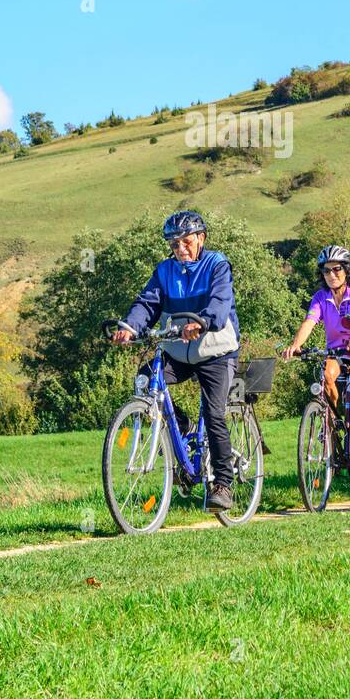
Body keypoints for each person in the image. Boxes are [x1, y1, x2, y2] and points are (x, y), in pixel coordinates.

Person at [111, 211, 240, 510]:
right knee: (145, 382)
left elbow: (220, 303)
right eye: (174, 243)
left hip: (216, 351)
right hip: (179, 350)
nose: (180, 248)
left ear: (201, 239)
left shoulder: (216, 264)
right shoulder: (165, 270)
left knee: (214, 413)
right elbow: (148, 302)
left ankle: (222, 483)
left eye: (186, 241)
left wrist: (203, 322)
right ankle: (179, 432)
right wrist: (128, 328)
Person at [282, 244, 350, 490]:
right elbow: (309, 322)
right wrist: (295, 345)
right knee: (326, 375)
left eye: (337, 269)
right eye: (326, 270)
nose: (331, 274)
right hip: (337, 352)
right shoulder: (320, 297)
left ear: (346, 270)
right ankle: (339, 420)